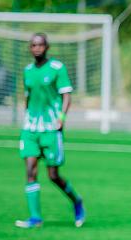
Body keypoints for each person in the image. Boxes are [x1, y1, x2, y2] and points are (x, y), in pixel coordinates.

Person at [15, 33, 85, 229]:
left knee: (53, 175)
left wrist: (61, 118)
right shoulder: (27, 71)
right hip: (31, 130)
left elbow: (66, 96)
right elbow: (28, 96)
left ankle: (77, 201)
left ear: (47, 47)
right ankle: (35, 218)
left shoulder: (57, 68)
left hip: (51, 129)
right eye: (33, 45)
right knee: (30, 171)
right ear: (30, 48)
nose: (36, 48)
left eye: (40, 45)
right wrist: (26, 117)